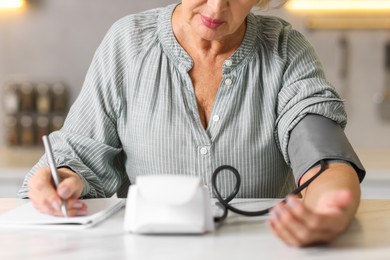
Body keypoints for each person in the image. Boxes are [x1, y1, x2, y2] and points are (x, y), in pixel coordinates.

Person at [19, 0, 365, 247]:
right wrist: (62, 179)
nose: (216, 9)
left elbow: (324, 157)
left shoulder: (285, 49)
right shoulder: (126, 43)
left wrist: (330, 211)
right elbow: (79, 155)